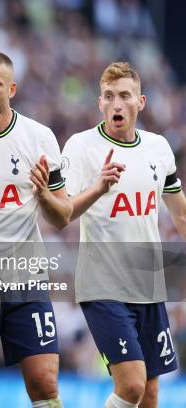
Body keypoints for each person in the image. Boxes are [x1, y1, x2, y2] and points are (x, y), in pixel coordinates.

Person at [61, 62, 186, 408]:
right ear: (100, 103)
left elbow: (180, 212)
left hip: (148, 284)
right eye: (110, 97)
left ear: (141, 102)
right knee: (131, 385)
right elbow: (62, 211)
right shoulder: (81, 147)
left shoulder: (158, 149)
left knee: (150, 392)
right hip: (103, 284)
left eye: (125, 96)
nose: (117, 104)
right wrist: (98, 188)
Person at [0, 51, 71, 407]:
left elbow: (62, 215)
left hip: (26, 277)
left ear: (10, 88)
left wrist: (43, 195)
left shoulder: (39, 137)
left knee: (45, 383)